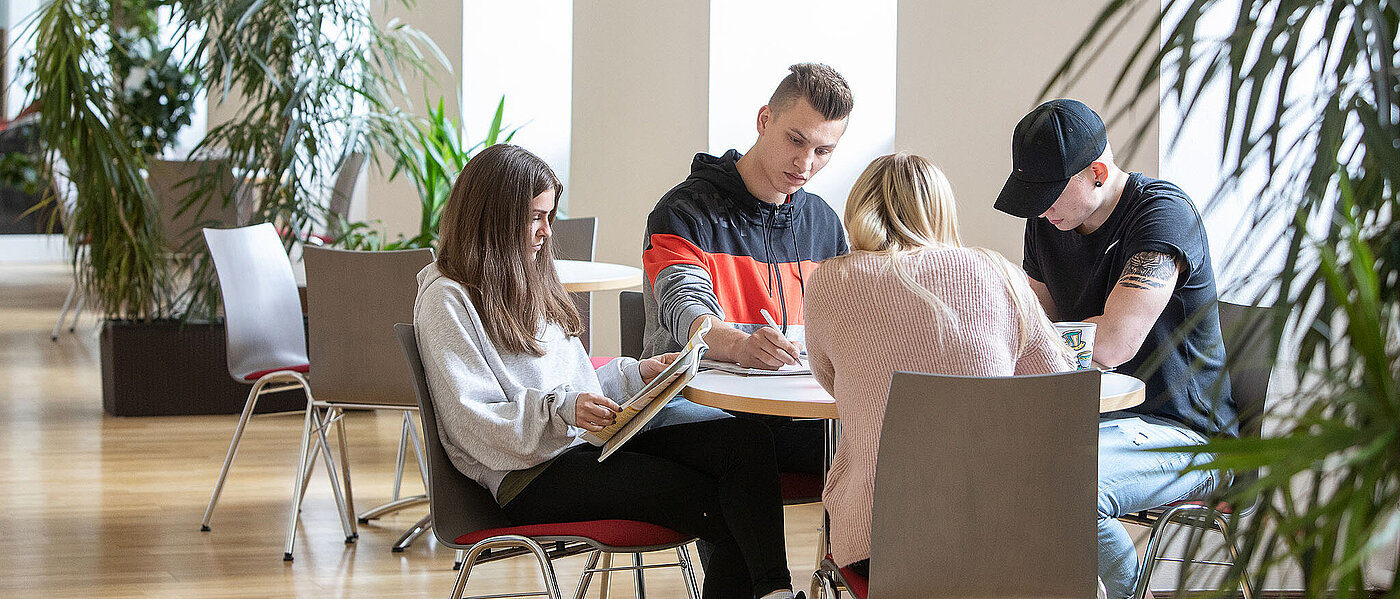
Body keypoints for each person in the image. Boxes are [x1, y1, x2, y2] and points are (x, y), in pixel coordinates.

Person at [414, 143, 800, 599]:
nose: (544, 232)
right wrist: (562, 411)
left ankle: (776, 592)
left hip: (580, 445)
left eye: (548, 217)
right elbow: (471, 421)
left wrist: (638, 375)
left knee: (744, 440)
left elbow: (572, 381)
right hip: (529, 475)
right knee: (722, 505)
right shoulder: (447, 299)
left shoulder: (526, 276)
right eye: (534, 217)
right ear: (492, 215)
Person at [994, 99, 1238, 599]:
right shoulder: (1047, 220)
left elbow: (1112, 344)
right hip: (1097, 420)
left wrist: (1036, 339)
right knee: (987, 468)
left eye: (1050, 196)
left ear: (1098, 173)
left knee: (1065, 487)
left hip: (1185, 430)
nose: (1040, 210)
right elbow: (1023, 323)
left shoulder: (1163, 215)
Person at [804, 152, 1073, 578]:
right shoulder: (998, 272)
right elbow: (1058, 383)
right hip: (1008, 543)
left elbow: (831, 378)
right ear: (942, 210)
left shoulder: (829, 281)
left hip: (884, 546)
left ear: (858, 207)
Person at [641, 62, 852, 475]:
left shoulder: (824, 224)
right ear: (764, 119)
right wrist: (739, 347)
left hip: (789, 410)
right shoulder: (683, 213)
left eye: (823, 151)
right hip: (688, 407)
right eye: (796, 139)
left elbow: (848, 323)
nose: (805, 163)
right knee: (745, 449)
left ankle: (841, 545)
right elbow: (688, 310)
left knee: (876, 442)